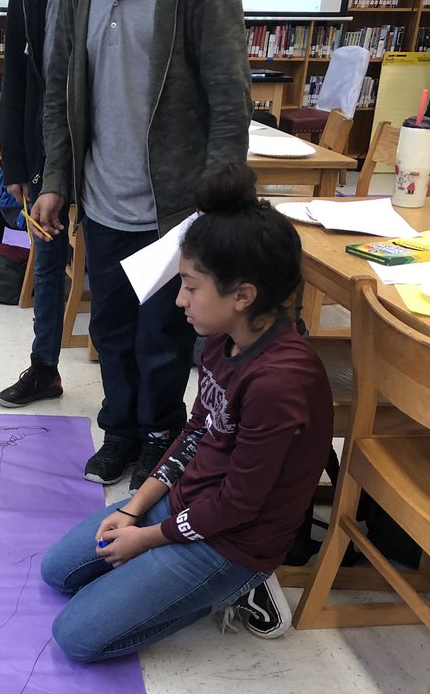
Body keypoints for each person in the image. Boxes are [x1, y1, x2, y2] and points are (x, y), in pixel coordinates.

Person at [40, 162, 333, 659]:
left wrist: (148, 540)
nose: (179, 300)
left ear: (243, 296)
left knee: (77, 637)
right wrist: (134, 509)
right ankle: (167, 570)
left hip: (234, 542)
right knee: (58, 571)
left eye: (191, 287)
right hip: (189, 504)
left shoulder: (279, 382)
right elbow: (197, 432)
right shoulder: (224, 336)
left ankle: (242, 585)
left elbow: (239, 506)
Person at [34, 0, 252, 484]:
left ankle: (160, 434)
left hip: (176, 209)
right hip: (104, 200)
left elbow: (229, 101)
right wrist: (57, 180)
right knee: (111, 329)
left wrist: (215, 208)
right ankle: (121, 431)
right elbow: (59, 89)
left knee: (163, 339)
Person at [0, 0, 82, 409]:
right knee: (48, 265)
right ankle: (44, 368)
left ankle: (128, 394)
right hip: (44, 149)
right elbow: (16, 74)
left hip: (101, 154)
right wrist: (15, 162)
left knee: (112, 271)